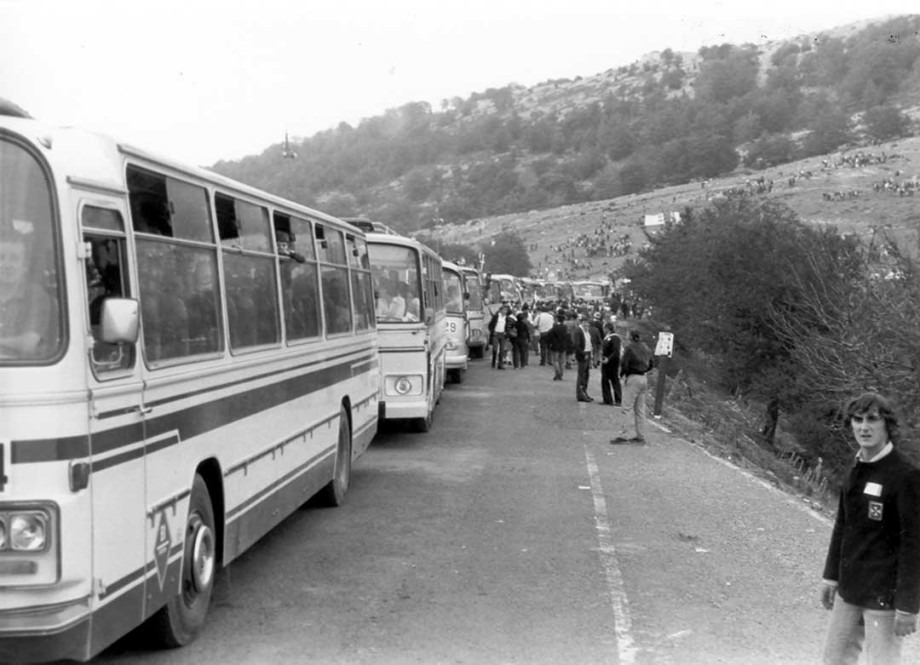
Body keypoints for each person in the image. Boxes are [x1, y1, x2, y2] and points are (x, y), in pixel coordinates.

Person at [820, 392, 920, 664]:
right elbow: (842, 526)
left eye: (873, 420)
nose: (864, 427)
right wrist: (831, 577)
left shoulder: (906, 475)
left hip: (885, 598)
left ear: (887, 424)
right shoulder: (856, 467)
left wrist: (908, 605)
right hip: (849, 589)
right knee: (834, 660)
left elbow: (914, 544)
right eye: (858, 420)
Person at [0, 230, 52, 358]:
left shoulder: (36, 296)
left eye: (14, 258)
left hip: (21, 371)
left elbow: (29, 345)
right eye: (1, 258)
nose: (6, 265)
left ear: (25, 265)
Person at [611, 330, 653, 443]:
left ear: (630, 336)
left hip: (633, 377)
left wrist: (622, 374)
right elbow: (651, 363)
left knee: (626, 407)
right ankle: (641, 435)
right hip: (643, 378)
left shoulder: (630, 348)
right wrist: (645, 370)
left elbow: (624, 363)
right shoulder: (646, 348)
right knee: (639, 409)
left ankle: (624, 435)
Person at [572, 313, 594, 402]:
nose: (587, 324)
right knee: (581, 375)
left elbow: (589, 343)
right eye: (585, 322)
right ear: (581, 322)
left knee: (586, 375)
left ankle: (584, 392)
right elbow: (576, 345)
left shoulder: (587, 331)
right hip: (583, 355)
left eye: (588, 323)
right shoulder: (578, 331)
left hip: (588, 353)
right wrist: (582, 354)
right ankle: (580, 394)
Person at [600, 321, 622, 406]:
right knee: (604, 380)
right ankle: (607, 399)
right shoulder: (607, 337)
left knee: (614, 380)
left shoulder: (615, 338)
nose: (603, 330)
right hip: (605, 361)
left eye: (604, 328)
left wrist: (609, 359)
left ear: (608, 329)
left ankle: (618, 400)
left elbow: (616, 351)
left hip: (613, 362)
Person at [545, 312, 570, 380]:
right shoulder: (565, 327)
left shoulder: (555, 327)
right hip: (563, 345)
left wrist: (548, 343)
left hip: (555, 345)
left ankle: (558, 372)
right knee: (561, 361)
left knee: (555, 361)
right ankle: (560, 374)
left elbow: (549, 335)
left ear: (557, 319)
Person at [488, 303, 511, 369]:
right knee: (495, 349)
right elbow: (490, 325)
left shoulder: (506, 318)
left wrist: (506, 332)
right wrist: (493, 331)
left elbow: (507, 326)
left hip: (502, 334)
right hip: (496, 334)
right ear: (500, 311)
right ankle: (493, 363)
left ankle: (500, 365)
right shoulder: (496, 316)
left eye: (506, 310)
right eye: (503, 310)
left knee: (502, 350)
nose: (505, 311)